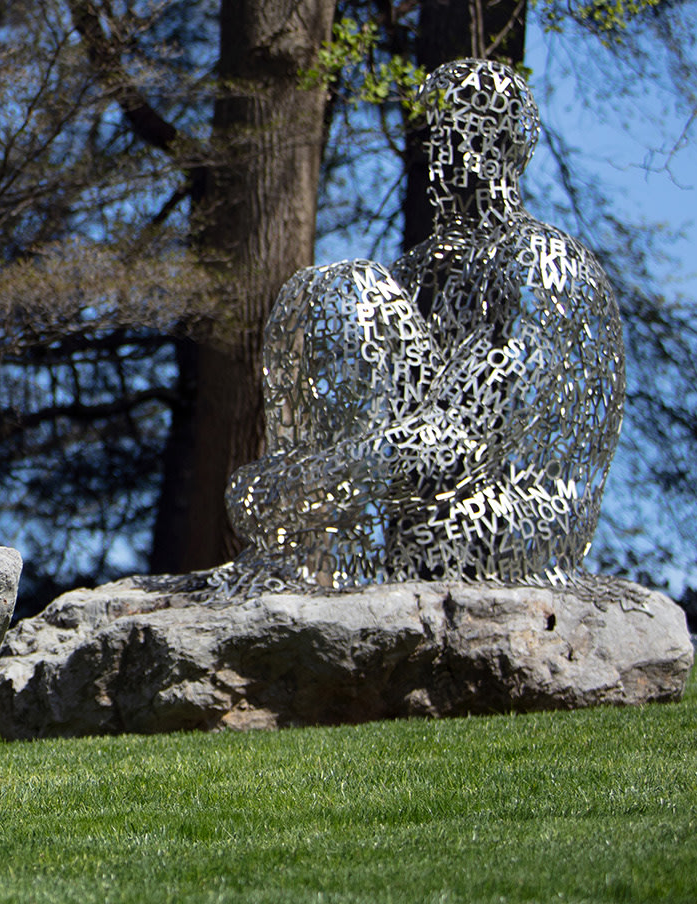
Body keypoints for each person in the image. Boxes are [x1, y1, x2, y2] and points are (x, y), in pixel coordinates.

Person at [225, 59, 624, 589]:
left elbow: (455, 444)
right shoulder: (419, 273)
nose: (444, 161)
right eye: (437, 140)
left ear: (510, 148)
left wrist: (294, 490)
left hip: (513, 529)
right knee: (325, 288)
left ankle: (324, 562)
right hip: (407, 506)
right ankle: (317, 564)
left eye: (464, 139)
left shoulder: (540, 264)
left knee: (352, 291)